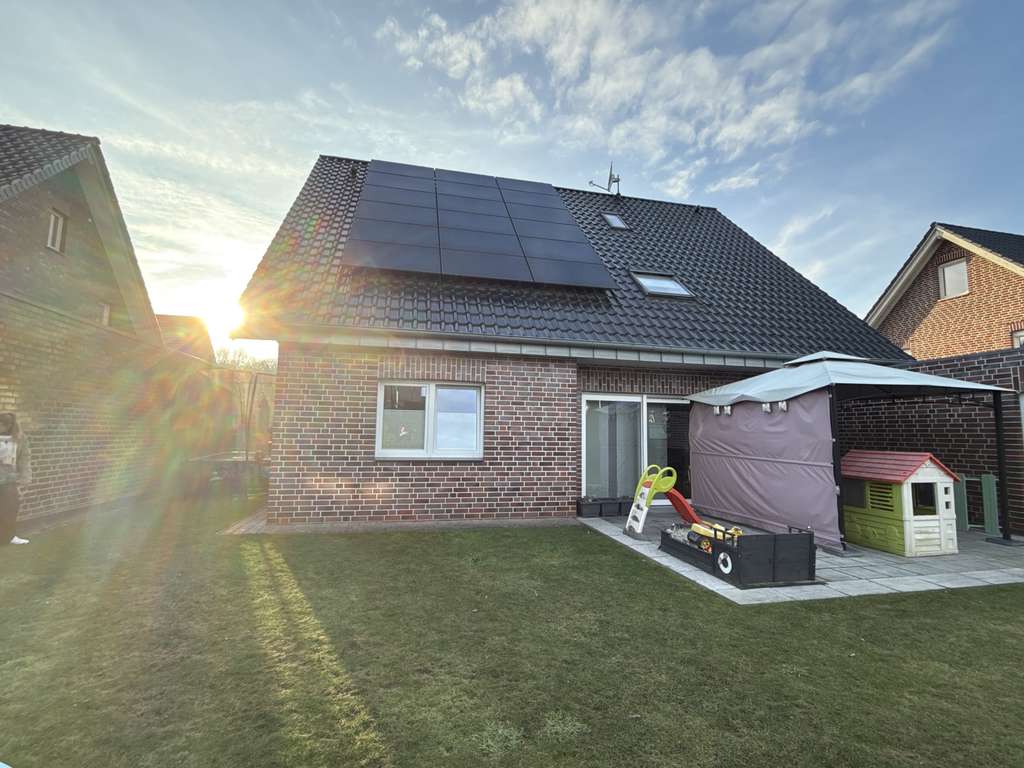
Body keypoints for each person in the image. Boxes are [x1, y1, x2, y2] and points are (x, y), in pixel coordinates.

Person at [0, 412, 31, 545]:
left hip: (9, 480)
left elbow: (24, 458)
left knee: (11, 509)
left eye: (5, 425)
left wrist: (25, 478)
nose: (2, 427)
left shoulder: (20, 438)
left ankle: (9, 536)